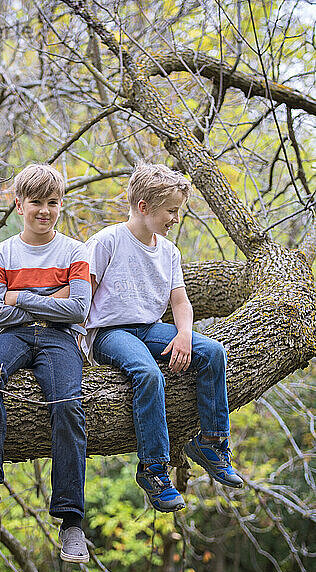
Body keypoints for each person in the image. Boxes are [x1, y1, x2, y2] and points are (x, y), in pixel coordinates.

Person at [82, 162, 243, 513]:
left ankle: (211, 443)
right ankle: (154, 470)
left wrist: (185, 334)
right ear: (144, 207)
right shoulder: (107, 242)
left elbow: (180, 301)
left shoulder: (169, 251)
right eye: (171, 211)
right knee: (148, 374)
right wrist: (76, 347)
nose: (175, 218)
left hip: (150, 328)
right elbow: (82, 297)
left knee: (212, 352)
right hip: (109, 332)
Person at [0, 164, 91, 563]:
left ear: (61, 204)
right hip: (12, 338)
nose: (44, 211)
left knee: (67, 404)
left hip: (60, 341)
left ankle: (71, 522)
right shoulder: (3, 252)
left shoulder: (75, 250)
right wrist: (53, 300)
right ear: (19, 204)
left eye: (52, 202)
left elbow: (79, 309)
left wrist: (21, 298)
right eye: (36, 202)